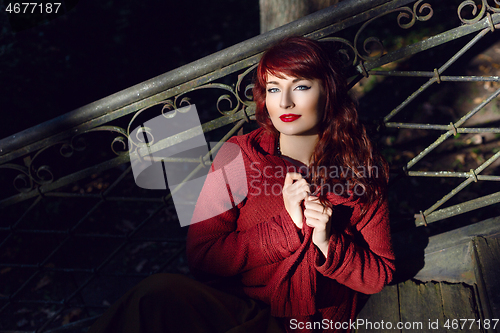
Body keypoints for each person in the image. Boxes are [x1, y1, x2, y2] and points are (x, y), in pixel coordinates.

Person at [88, 36, 394, 333]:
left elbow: (379, 274)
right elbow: (203, 256)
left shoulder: (361, 169)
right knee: (153, 296)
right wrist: (286, 225)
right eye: (274, 89)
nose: (285, 101)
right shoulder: (240, 156)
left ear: (328, 91)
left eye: (300, 86)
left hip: (311, 325)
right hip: (240, 312)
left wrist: (328, 243)